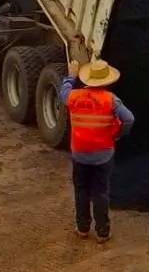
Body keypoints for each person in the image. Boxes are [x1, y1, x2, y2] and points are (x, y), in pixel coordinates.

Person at [57, 58, 134, 243]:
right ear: (107, 81)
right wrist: (118, 134)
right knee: (100, 192)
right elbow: (129, 119)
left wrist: (71, 75)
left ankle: (82, 228)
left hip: (79, 154)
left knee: (81, 190)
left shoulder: (74, 96)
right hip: (103, 155)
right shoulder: (111, 99)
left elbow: (63, 93)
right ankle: (102, 232)